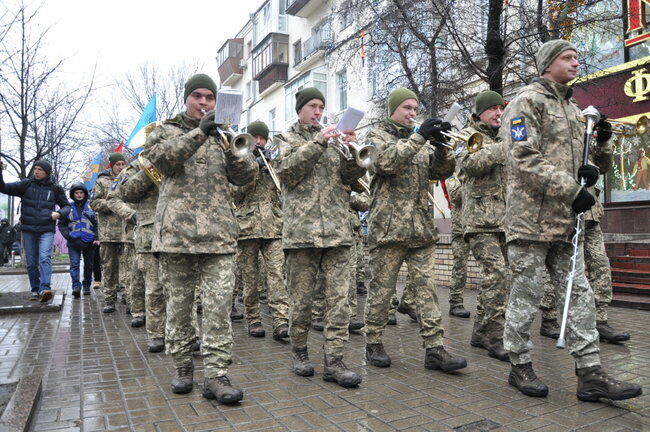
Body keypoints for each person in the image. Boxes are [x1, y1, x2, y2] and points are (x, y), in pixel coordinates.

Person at [501, 39, 642, 401]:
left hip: (567, 221)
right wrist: (569, 189)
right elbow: (523, 157)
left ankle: (590, 373)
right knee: (526, 295)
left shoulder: (575, 108)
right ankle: (519, 365)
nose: (576, 63)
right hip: (530, 221)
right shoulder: (526, 102)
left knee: (579, 295)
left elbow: (591, 165)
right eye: (568, 58)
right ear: (548, 64)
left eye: (577, 58)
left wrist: (602, 148)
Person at [146, 73, 256, 404]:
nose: (205, 102)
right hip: (177, 236)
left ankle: (216, 375)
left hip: (219, 236)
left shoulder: (225, 134)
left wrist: (235, 148)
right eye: (198, 96)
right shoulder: (164, 130)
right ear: (187, 99)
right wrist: (199, 133)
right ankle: (182, 367)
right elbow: (162, 161)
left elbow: (247, 176)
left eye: (210, 97)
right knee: (179, 307)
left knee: (219, 308)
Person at [363, 88, 467, 373]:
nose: (412, 113)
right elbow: (386, 164)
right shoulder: (377, 136)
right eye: (407, 108)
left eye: (415, 109)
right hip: (388, 228)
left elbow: (440, 172)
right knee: (382, 291)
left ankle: (434, 348)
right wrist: (420, 136)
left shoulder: (419, 141)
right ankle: (373, 341)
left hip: (420, 228)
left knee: (426, 289)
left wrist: (443, 145)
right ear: (393, 109)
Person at [274, 87, 365, 388]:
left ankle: (335, 360)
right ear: (300, 109)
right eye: (312, 106)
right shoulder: (285, 139)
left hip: (337, 232)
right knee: (300, 301)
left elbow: (352, 181)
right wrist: (317, 142)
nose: (317, 112)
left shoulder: (333, 140)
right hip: (302, 234)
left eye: (321, 106)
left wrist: (353, 152)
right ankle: (300, 352)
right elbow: (286, 172)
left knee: (339, 302)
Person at [456, 90, 509, 362]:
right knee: (497, 275)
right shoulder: (467, 135)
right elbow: (471, 165)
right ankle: (493, 335)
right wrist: (504, 147)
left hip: (504, 221)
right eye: (493, 110)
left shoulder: (503, 138)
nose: (499, 113)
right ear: (479, 114)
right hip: (479, 222)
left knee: (500, 279)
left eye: (501, 109)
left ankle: (479, 332)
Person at [232, 120, 289, 341]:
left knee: (276, 275)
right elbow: (235, 193)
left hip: (274, 226)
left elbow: (284, 187)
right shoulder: (240, 161)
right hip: (248, 228)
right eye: (255, 138)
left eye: (262, 138)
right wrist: (252, 170)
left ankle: (281, 321)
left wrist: (273, 165)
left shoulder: (274, 160)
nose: (259, 142)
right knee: (250, 278)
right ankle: (253, 319)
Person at [114, 145, 167, 353]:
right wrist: (130, 214)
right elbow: (118, 196)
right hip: (148, 233)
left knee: (184, 287)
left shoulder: (178, 159)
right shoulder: (135, 167)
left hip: (178, 230)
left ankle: (188, 334)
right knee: (154, 288)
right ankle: (156, 334)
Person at [0, 160, 69, 302]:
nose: (36, 172)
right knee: (31, 263)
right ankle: (35, 289)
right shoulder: (26, 184)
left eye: (40, 170)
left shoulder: (55, 188)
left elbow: (67, 207)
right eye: (35, 169)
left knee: (44, 258)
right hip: (28, 229)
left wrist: (59, 213)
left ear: (47, 172)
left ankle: (45, 288)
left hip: (46, 229)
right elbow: (3, 187)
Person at [107, 165, 146, 328]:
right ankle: (137, 310)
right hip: (134, 233)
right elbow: (113, 198)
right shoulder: (134, 168)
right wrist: (131, 214)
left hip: (168, 231)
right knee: (134, 274)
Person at [91, 153, 126, 313]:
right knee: (110, 267)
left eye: (123, 164)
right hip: (108, 232)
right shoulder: (102, 181)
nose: (120, 167)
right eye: (118, 164)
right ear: (111, 165)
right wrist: (113, 204)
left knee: (127, 267)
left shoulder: (128, 179)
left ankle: (128, 297)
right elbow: (94, 202)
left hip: (126, 232)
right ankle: (109, 299)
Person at [58, 183, 98, 298]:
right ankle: (76, 286)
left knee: (88, 265)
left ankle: (86, 286)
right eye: (76, 193)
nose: (79, 195)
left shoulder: (92, 207)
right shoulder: (68, 208)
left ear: (85, 194)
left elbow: (97, 224)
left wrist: (97, 238)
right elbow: (61, 224)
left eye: (81, 193)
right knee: (74, 265)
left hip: (89, 242)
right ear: (73, 194)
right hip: (73, 241)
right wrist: (68, 235)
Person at [447, 178, 471, 318]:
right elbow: (455, 195)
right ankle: (456, 303)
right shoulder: (454, 173)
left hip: (480, 224)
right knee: (460, 266)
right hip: (460, 228)